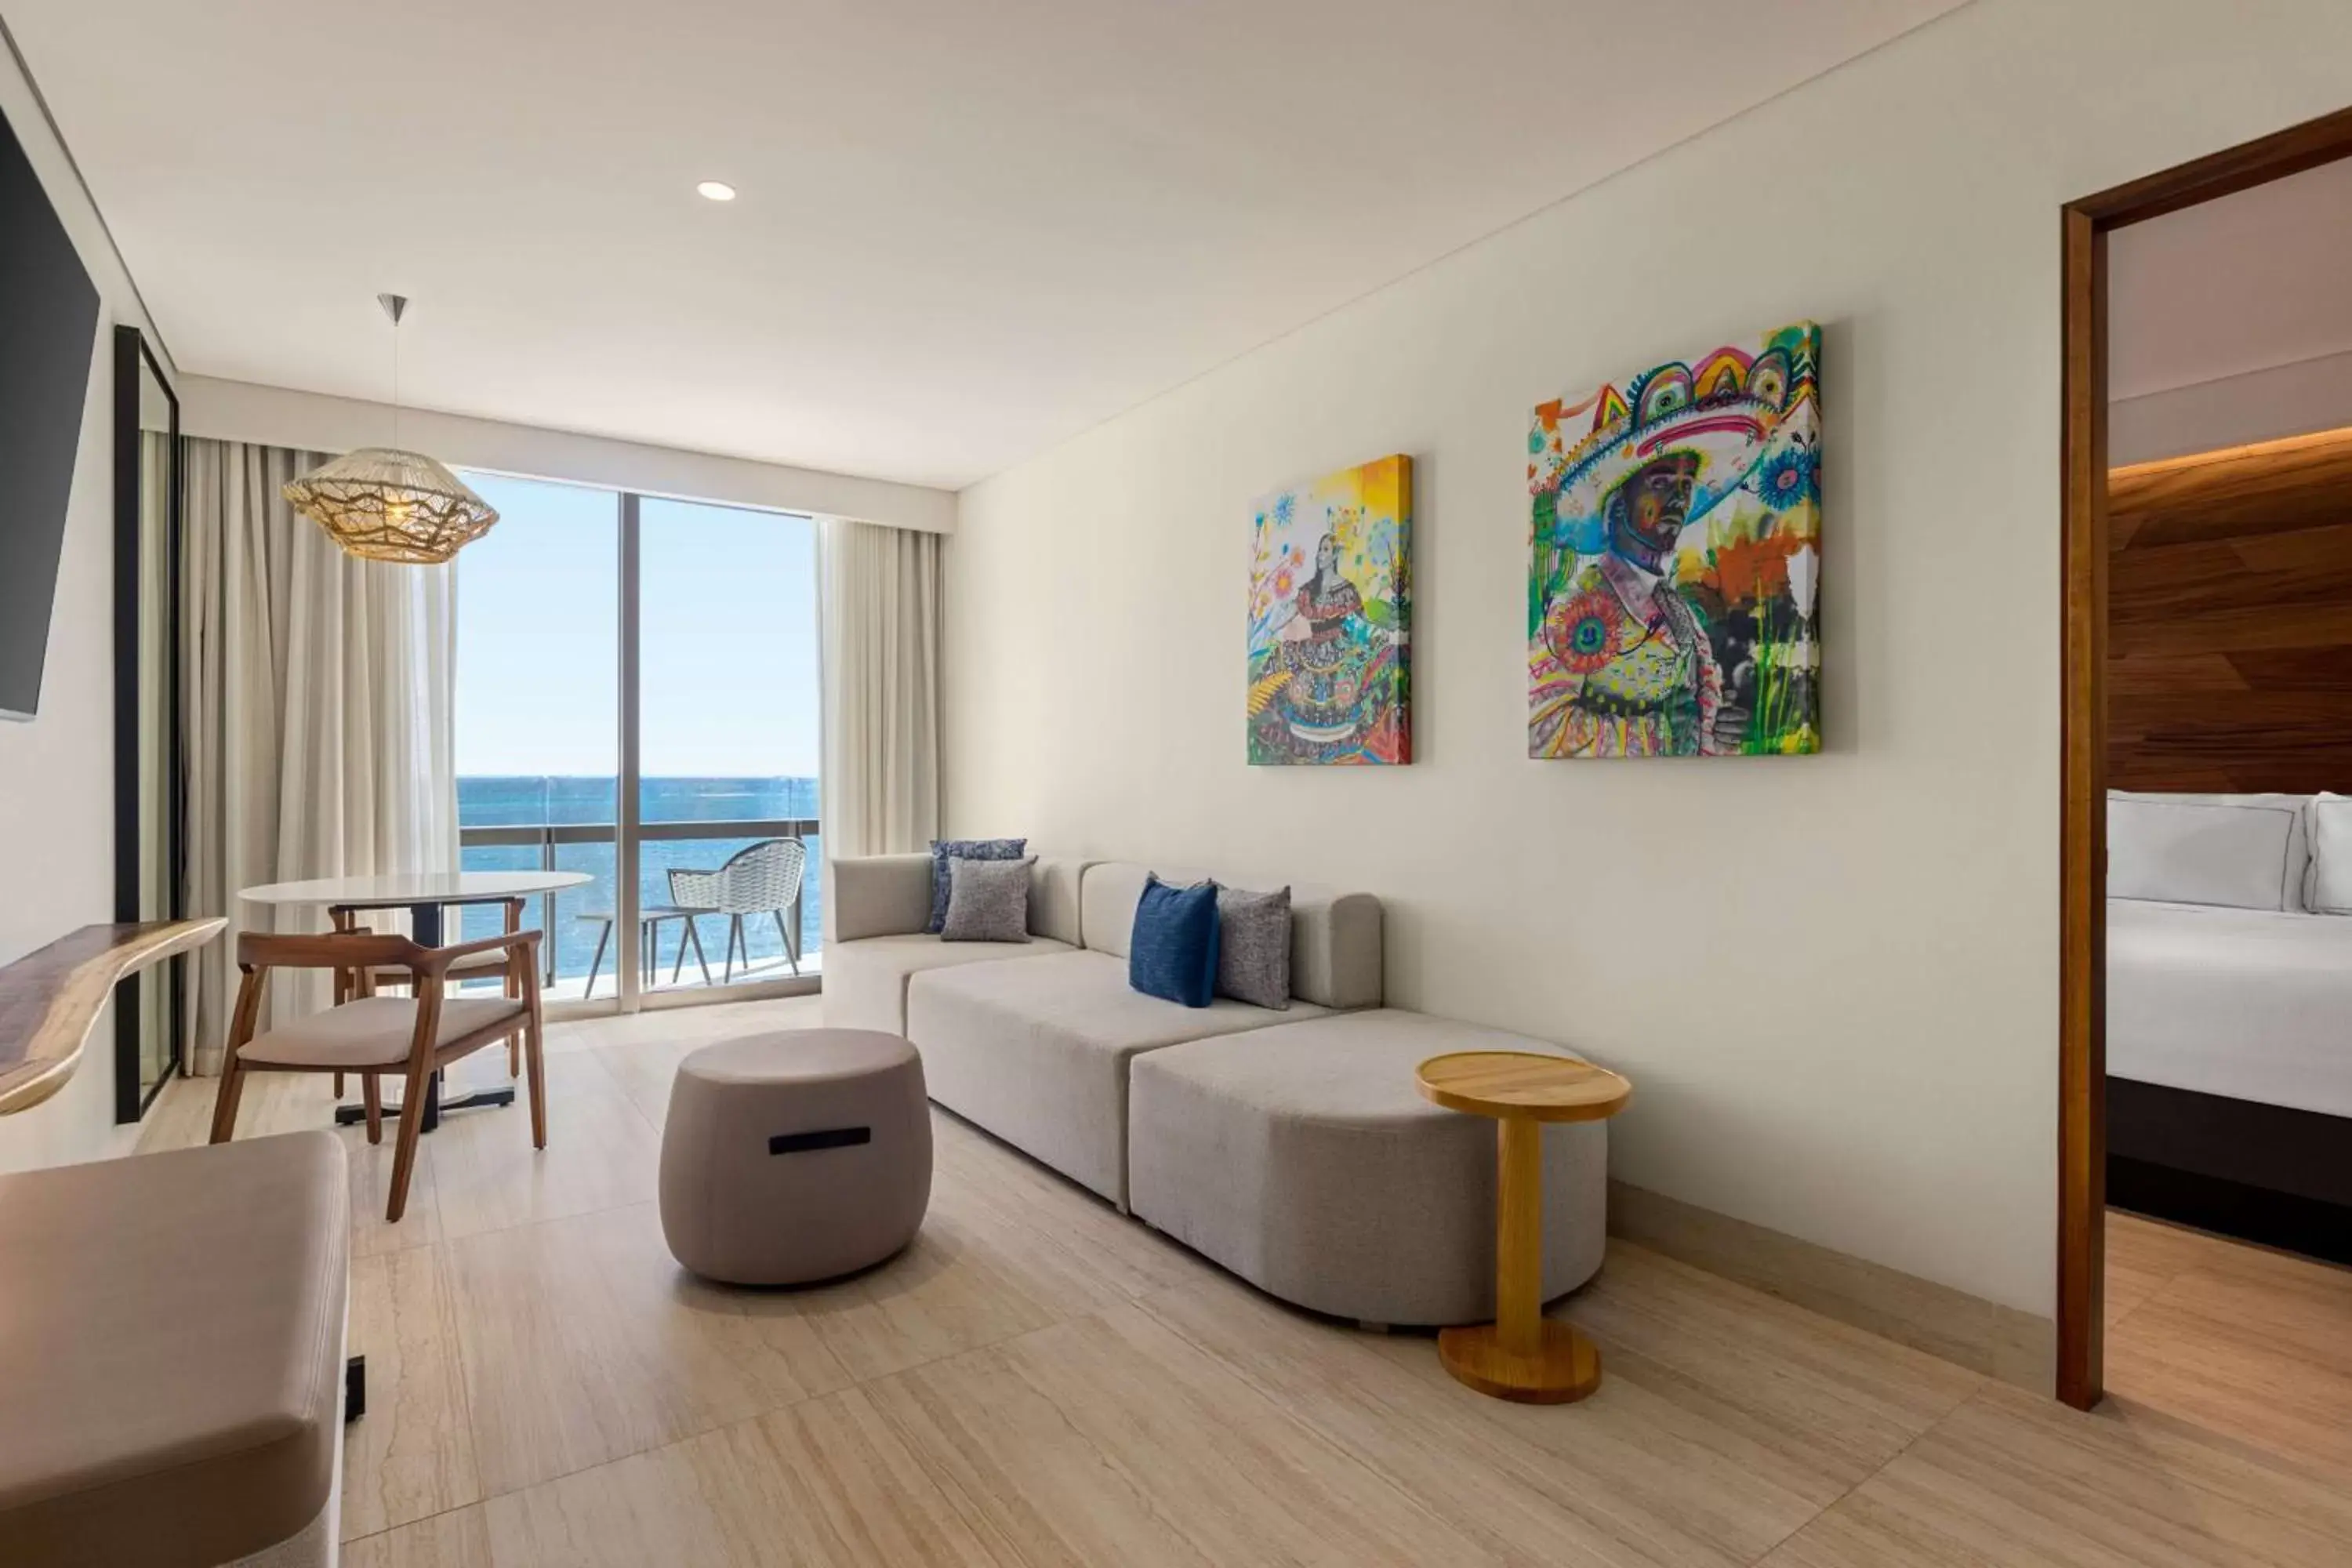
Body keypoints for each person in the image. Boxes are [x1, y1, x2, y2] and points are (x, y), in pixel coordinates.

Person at [1534, 450, 1727, 757]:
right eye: (1661, 483)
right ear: (1619, 503)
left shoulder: (1676, 606)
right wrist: (1656, 735)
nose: (1679, 499)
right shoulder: (1576, 604)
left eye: (1687, 486)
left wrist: (1718, 732)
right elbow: (1542, 729)